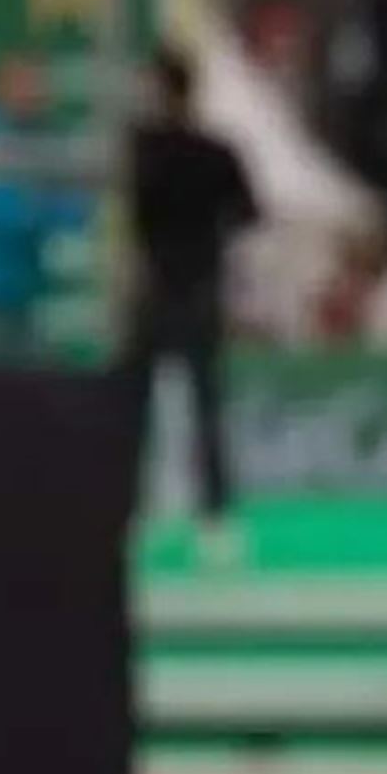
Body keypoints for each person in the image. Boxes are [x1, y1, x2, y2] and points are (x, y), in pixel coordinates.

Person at [123, 47, 259, 562]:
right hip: (187, 288)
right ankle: (207, 516)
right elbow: (249, 213)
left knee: (166, 406)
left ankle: (181, 513)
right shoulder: (204, 151)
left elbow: (248, 211)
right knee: (196, 406)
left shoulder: (148, 152)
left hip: (167, 289)